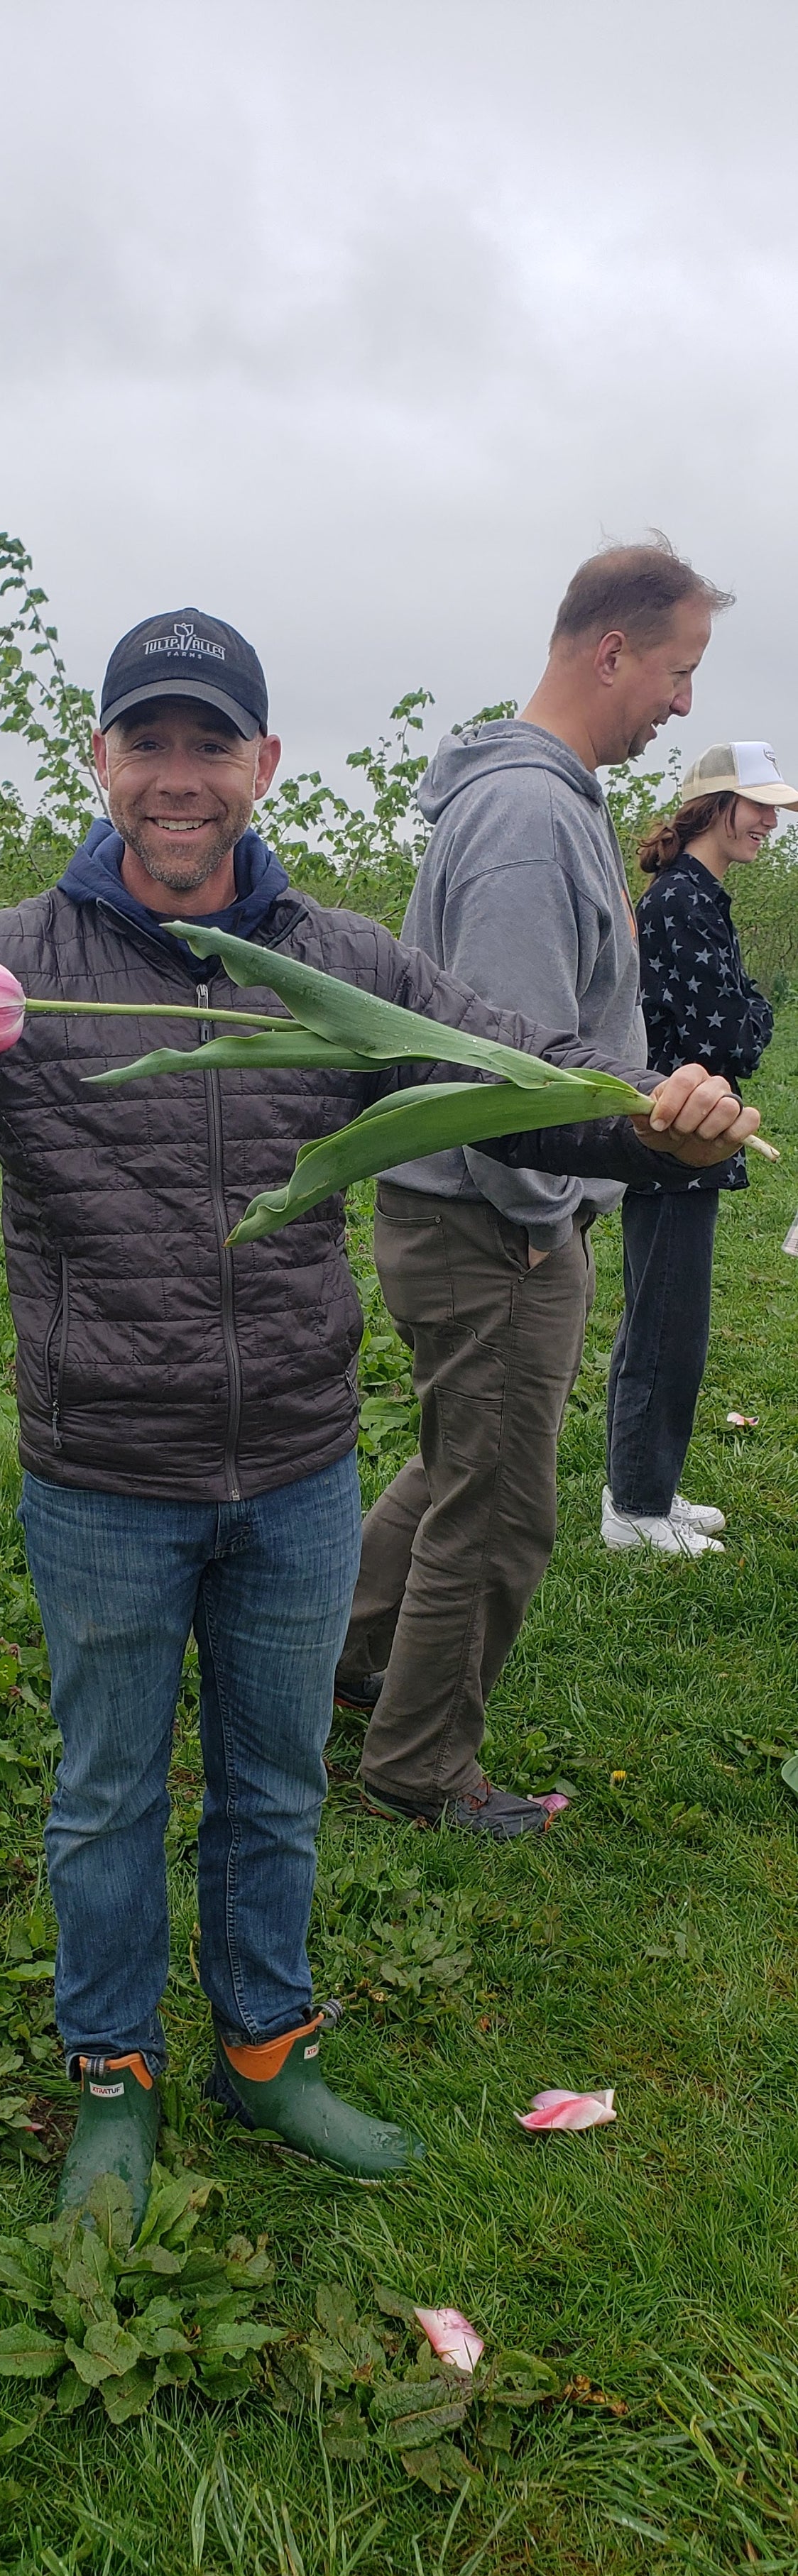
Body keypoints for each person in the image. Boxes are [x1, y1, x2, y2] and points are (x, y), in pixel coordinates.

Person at [0, 606, 755, 2227]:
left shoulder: (338, 962)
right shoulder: (5, 973)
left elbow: (510, 1067)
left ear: (262, 764)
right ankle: (114, 2072)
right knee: (106, 1794)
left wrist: (654, 1125)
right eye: (147, 742)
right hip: (105, 1475)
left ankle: (263, 2043)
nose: (178, 777)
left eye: (209, 744)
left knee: (272, 1782)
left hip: (299, 1469)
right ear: (102, 761)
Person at [337, 539, 737, 1841]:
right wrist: (580, 1194)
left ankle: (340, 1667)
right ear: (610, 652)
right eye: (677, 672)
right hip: (492, 1220)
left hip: (471, 1210)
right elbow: (507, 1075)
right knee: (500, 1511)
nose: (683, 705)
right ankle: (419, 1773)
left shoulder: (537, 799)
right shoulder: (526, 817)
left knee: (454, 1467)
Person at [601, 742, 788, 1555]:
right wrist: (757, 1009)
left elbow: (731, 1020)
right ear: (714, 806)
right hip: (678, 1138)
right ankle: (636, 1508)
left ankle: (648, 1487)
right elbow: (729, 1036)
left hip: (689, 1134)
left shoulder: (695, 895)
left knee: (663, 1314)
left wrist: (746, 1008)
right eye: (758, 805)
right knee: (667, 1321)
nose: (771, 823)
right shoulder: (683, 900)